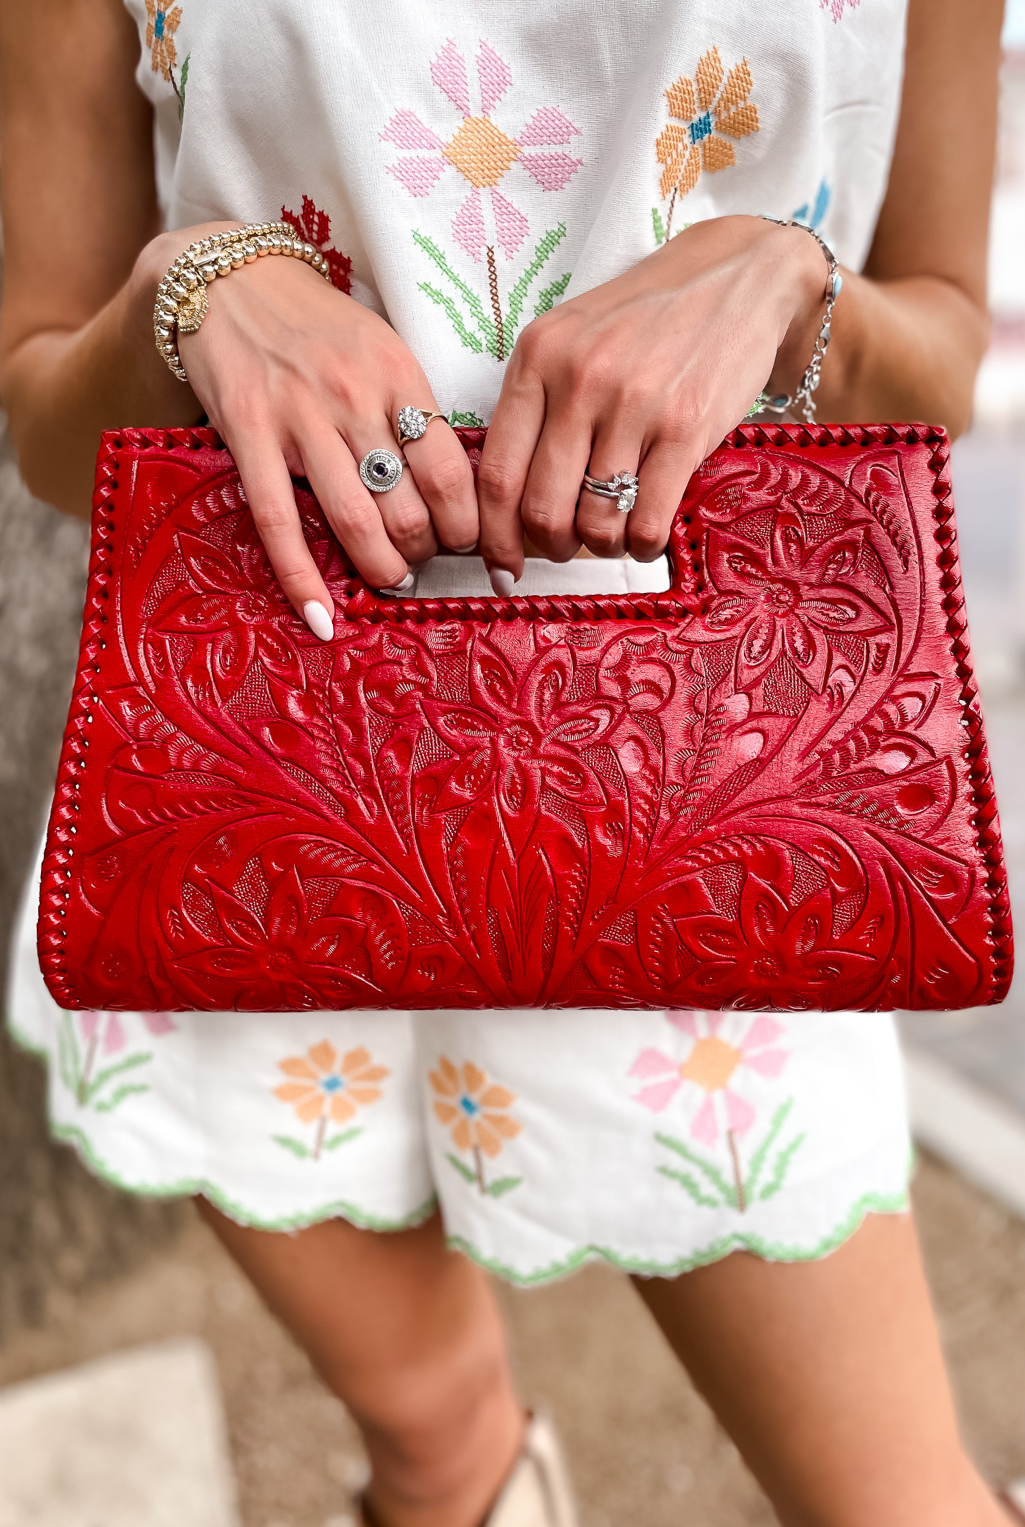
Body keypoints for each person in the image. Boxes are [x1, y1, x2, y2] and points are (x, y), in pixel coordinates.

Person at [0, 1, 1013, 1523]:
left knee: (890, 1503)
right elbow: (43, 414)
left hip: (702, 795)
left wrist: (793, 284)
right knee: (437, 1449)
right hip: (266, 765)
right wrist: (191, 282)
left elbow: (936, 355)